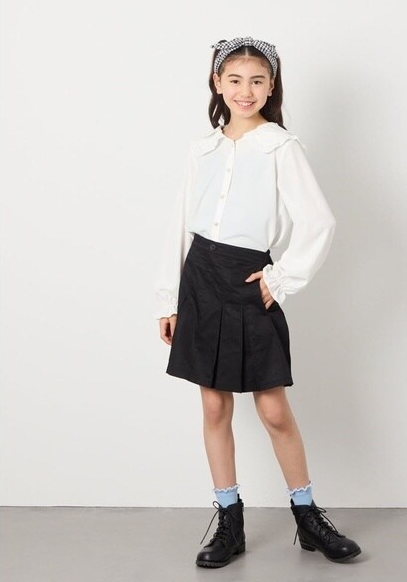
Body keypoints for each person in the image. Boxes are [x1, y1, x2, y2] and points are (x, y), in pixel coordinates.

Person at [154, 36, 362, 568]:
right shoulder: (202, 150)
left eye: (257, 80)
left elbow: (319, 221)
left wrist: (281, 278)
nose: (245, 90)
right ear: (217, 83)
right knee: (214, 405)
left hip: (248, 279)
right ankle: (230, 521)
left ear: (272, 87)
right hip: (200, 278)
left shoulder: (280, 147)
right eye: (234, 79)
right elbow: (178, 224)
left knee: (272, 408)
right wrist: (168, 297)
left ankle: (308, 517)